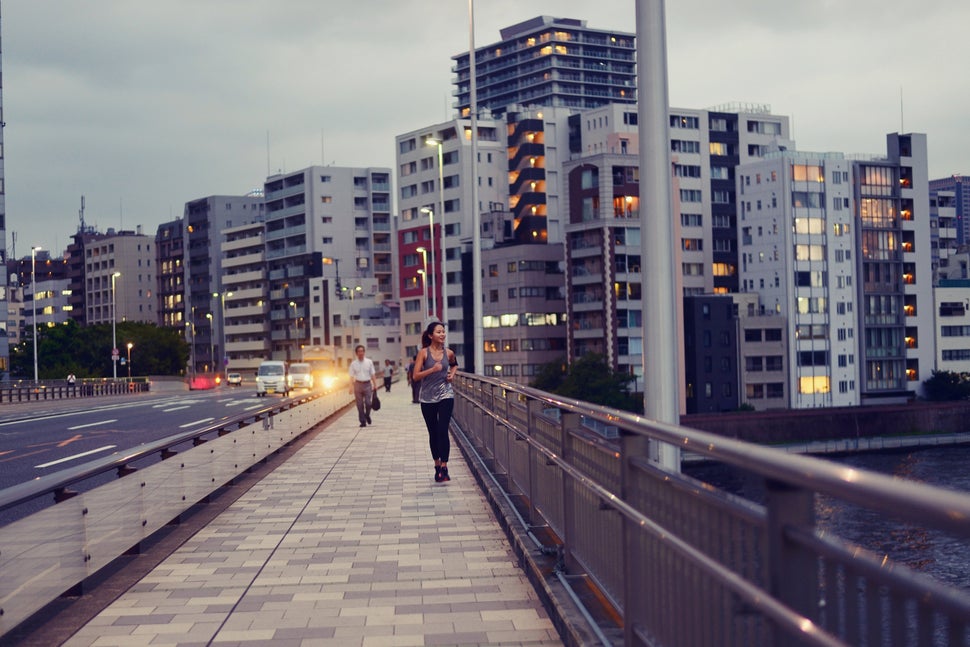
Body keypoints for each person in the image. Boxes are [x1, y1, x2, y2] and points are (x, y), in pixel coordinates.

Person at [412, 321, 458, 482]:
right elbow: (415, 376)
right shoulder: (423, 353)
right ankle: (437, 465)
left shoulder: (449, 352)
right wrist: (432, 369)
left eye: (443, 332)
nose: (442, 334)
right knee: (433, 432)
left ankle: (444, 467)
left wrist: (452, 375)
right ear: (431, 335)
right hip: (427, 397)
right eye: (439, 332)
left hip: (446, 394)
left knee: (443, 430)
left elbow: (454, 365)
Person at [348, 345, 378, 427]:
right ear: (356, 353)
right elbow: (351, 376)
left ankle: (367, 415)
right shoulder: (353, 364)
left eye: (362, 351)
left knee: (368, 403)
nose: (361, 353)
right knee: (359, 404)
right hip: (357, 385)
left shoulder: (369, 362)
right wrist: (350, 387)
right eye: (359, 351)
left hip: (367, 384)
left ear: (364, 352)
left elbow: (373, 374)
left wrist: (375, 384)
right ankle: (362, 421)